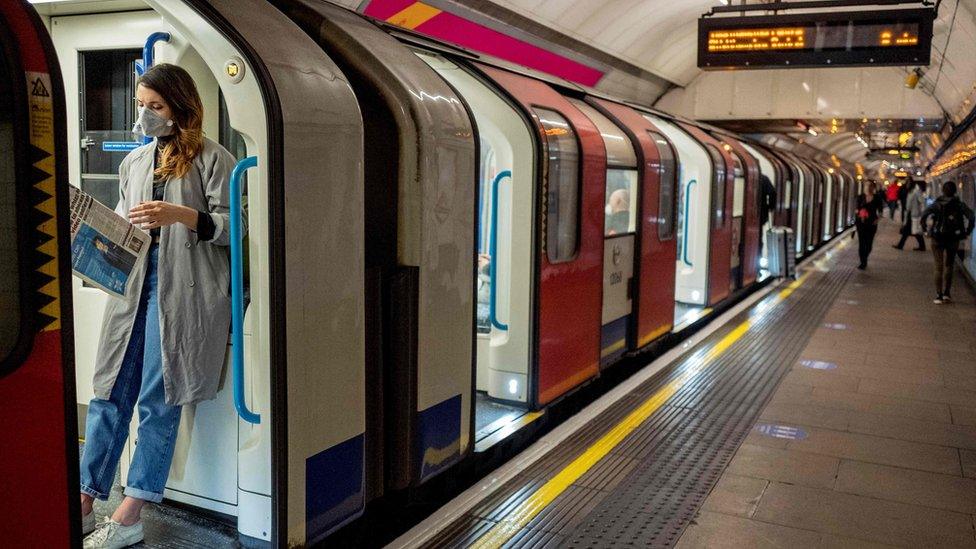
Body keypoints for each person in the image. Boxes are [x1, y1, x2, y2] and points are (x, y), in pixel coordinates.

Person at [79, 63, 242, 548]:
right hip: (132, 292)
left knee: (157, 399)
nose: (145, 115)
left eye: (155, 106)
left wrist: (182, 215)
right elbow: (127, 230)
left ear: (179, 108)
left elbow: (237, 228)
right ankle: (86, 499)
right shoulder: (133, 163)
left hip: (182, 298)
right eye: (140, 105)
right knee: (108, 393)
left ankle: (131, 512)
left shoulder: (215, 160)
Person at [920, 181, 975, 304]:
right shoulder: (959, 204)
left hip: (937, 238)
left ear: (942, 191)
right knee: (949, 265)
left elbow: (924, 216)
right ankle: (947, 294)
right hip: (953, 238)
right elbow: (971, 216)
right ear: (955, 191)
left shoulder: (936, 204)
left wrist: (925, 230)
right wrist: (967, 232)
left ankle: (938, 295)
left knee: (938, 267)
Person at [855, 181, 884, 270]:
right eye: (866, 185)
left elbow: (880, 211)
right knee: (861, 243)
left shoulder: (877, 198)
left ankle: (865, 256)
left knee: (869, 244)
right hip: (861, 222)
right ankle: (863, 262)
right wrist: (859, 213)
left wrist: (877, 220)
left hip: (871, 223)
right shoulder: (860, 197)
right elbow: (856, 209)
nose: (868, 187)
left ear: (873, 187)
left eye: (870, 186)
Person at [893, 180, 927, 251]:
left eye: (908, 184)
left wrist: (922, 213)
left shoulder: (916, 192)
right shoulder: (910, 192)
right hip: (909, 213)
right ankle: (921, 246)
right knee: (910, 230)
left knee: (912, 231)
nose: (907, 185)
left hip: (915, 214)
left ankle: (901, 245)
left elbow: (922, 202)